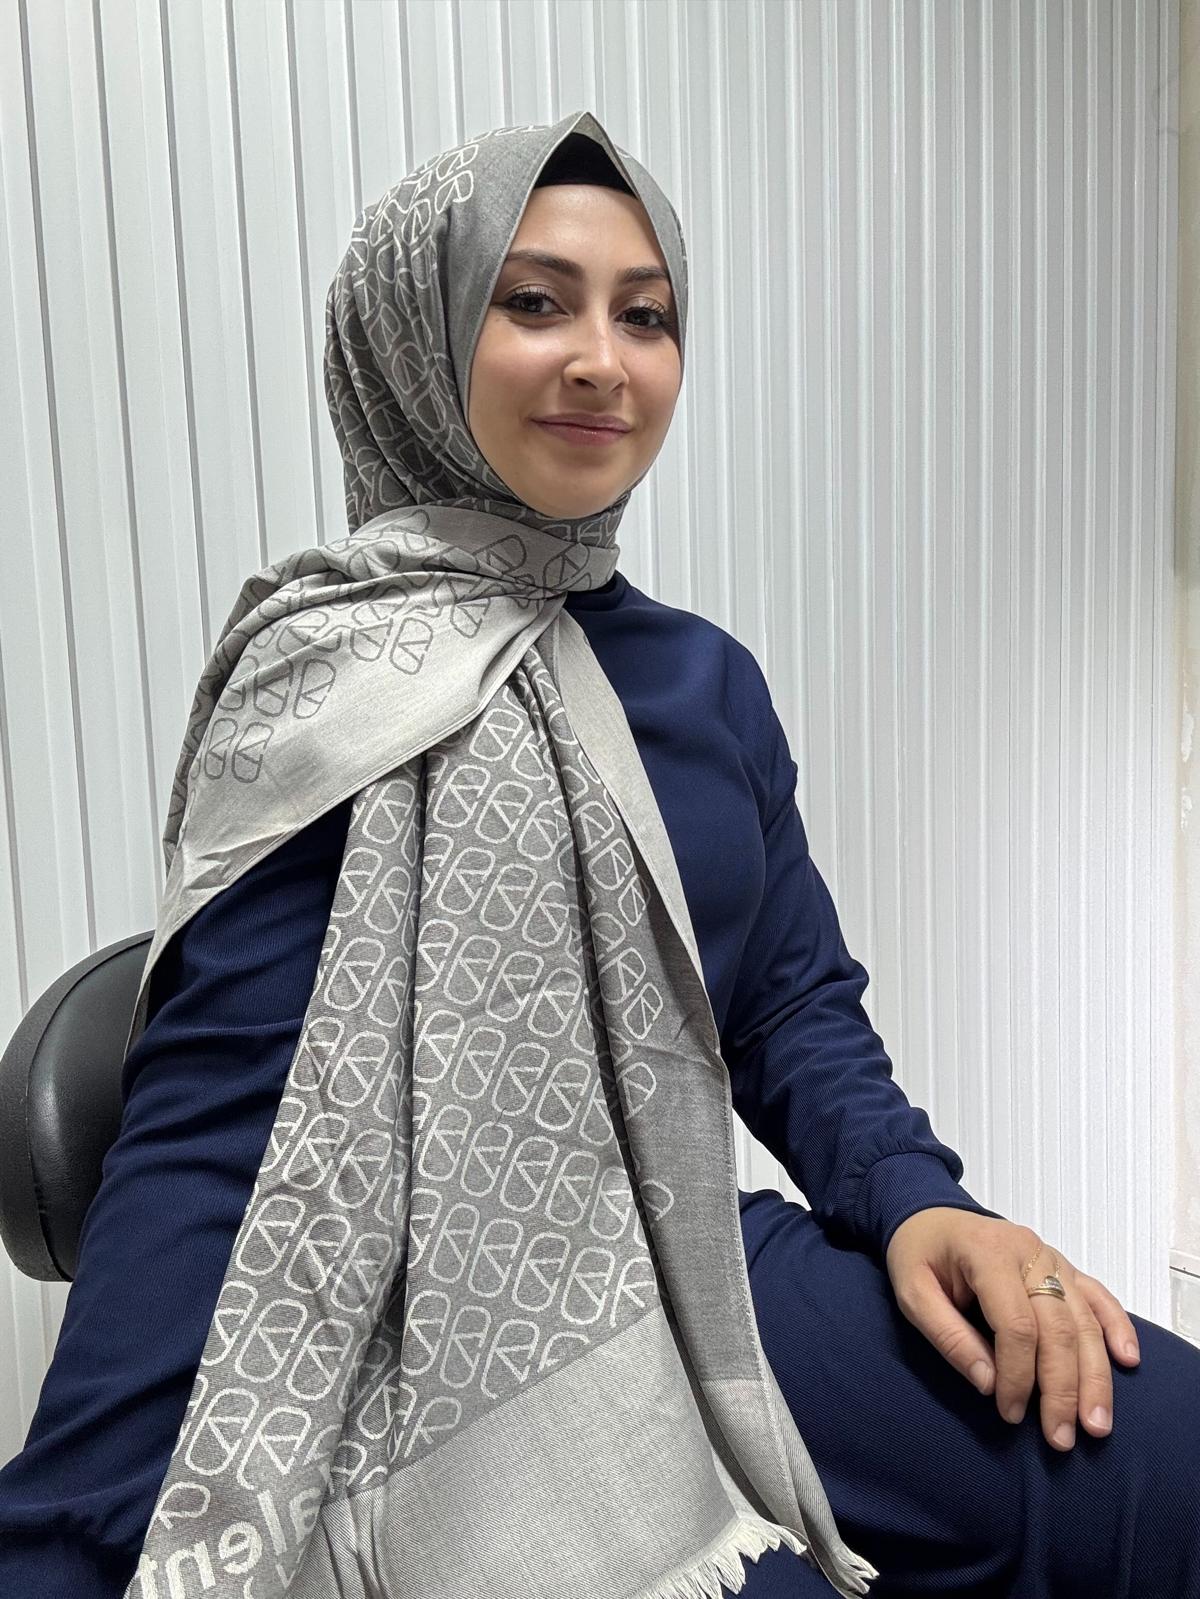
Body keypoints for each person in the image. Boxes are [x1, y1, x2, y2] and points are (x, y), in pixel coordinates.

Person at [1, 111, 1197, 1599]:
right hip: (418, 1333)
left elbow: (790, 1008)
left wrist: (919, 1200)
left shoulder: (705, 683)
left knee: (1157, 1453)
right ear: (418, 337)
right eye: (535, 302)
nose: (601, 362)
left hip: (693, 1258)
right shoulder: (327, 692)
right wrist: (72, 1535)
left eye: (646, 316)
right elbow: (219, 1152)